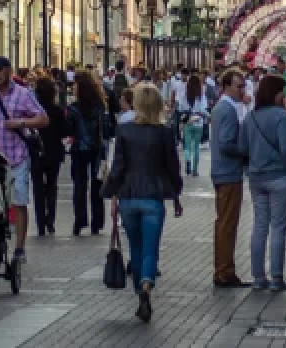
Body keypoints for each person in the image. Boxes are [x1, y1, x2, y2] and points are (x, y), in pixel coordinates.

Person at [102, 84, 184, 323]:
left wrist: (109, 194)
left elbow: (117, 169)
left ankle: (139, 290)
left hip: (128, 196)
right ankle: (147, 284)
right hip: (154, 197)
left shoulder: (124, 131)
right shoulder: (164, 132)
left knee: (135, 247)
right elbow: (172, 168)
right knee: (151, 247)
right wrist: (176, 193)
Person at [0, 56, 48, 263]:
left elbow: (43, 119)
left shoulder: (23, 94)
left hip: (17, 157)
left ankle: (19, 248)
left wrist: (21, 122)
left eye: (0, 70)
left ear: (9, 71)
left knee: (19, 201)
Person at [240, 74, 286, 292]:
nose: (284, 97)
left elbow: (243, 148)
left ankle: (258, 276)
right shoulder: (281, 117)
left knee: (260, 226)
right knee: (278, 228)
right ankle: (276, 277)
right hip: (279, 177)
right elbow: (285, 148)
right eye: (282, 93)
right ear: (275, 94)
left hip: (257, 177)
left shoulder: (250, 117)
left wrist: (251, 168)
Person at [210, 68, 250, 288]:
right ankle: (224, 271)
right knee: (227, 223)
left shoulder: (222, 108)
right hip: (228, 172)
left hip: (222, 171)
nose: (242, 89)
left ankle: (223, 268)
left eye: (243, 85)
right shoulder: (227, 110)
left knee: (223, 223)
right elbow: (226, 144)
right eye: (238, 86)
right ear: (226, 87)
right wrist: (245, 151)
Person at [69, 71, 109, 235]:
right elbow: (106, 129)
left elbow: (69, 130)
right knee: (97, 186)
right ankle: (96, 222)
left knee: (79, 185)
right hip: (97, 149)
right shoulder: (100, 107)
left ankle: (79, 220)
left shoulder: (73, 109)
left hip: (79, 149)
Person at [31, 77, 68, 237]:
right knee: (52, 187)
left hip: (37, 153)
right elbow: (64, 132)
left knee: (38, 189)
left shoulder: (33, 111)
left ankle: (40, 222)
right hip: (54, 152)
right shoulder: (57, 110)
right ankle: (50, 221)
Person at [180, 74, 209, 177]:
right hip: (199, 122)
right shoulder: (202, 96)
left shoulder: (185, 95)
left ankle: (188, 160)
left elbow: (181, 108)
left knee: (188, 145)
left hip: (188, 121)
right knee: (196, 146)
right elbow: (204, 110)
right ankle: (195, 170)